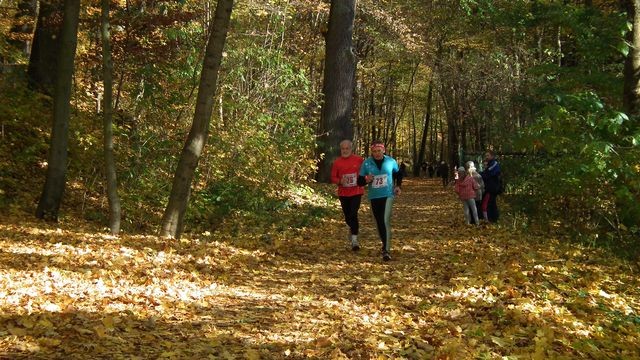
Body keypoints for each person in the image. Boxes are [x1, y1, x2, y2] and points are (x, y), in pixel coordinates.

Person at [357, 140, 403, 261]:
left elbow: (399, 174)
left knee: (385, 220)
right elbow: (359, 181)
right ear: (371, 152)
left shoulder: (391, 161)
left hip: (388, 195)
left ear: (384, 150)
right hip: (374, 197)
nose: (377, 153)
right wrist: (366, 179)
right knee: (379, 222)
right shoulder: (366, 163)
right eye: (374, 151)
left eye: (379, 151)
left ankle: (386, 250)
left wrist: (398, 186)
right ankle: (384, 244)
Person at [331, 140, 365, 250]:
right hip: (343, 193)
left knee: (353, 213)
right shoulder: (337, 162)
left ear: (351, 149)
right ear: (340, 149)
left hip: (356, 191)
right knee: (347, 216)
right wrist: (340, 181)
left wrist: (365, 179)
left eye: (347, 148)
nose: (345, 151)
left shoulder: (359, 160)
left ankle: (355, 240)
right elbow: (333, 177)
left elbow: (365, 172)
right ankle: (352, 228)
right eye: (343, 149)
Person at [481, 150, 501, 222]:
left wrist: (481, 175)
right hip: (490, 187)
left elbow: (488, 174)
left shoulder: (494, 164)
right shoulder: (489, 164)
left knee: (488, 203)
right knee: (491, 203)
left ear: (492, 156)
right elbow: (485, 173)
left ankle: (490, 219)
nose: (486, 157)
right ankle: (494, 219)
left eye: (488, 155)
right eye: (486, 155)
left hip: (492, 188)